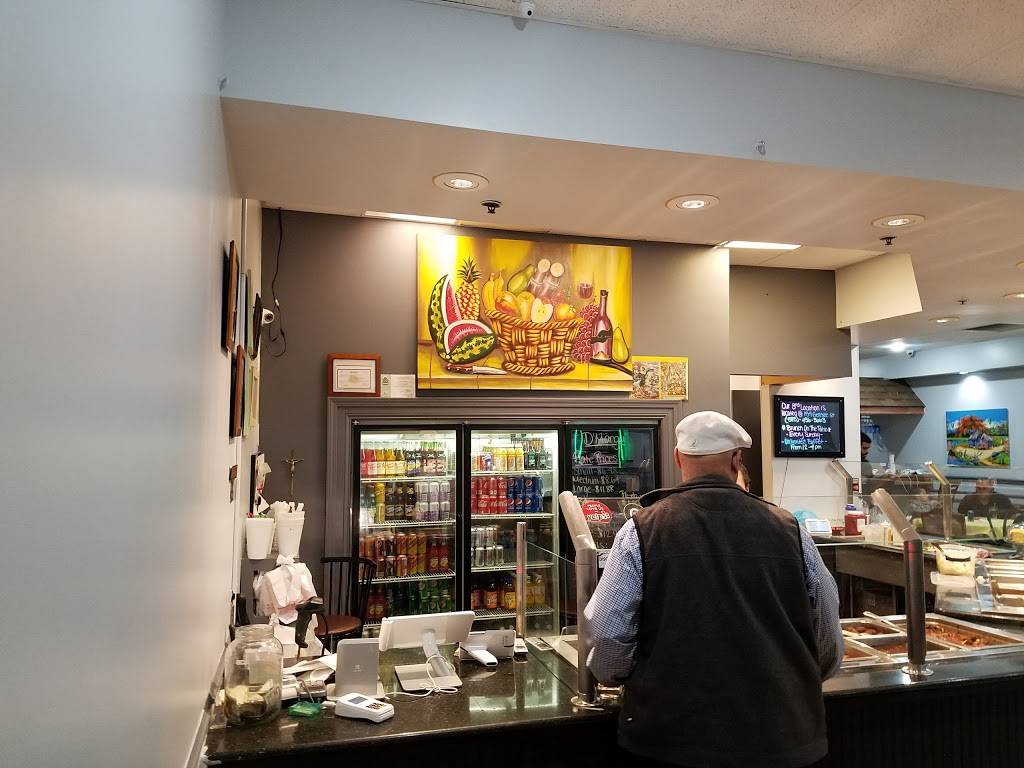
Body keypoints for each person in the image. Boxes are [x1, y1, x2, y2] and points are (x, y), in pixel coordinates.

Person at [586, 411, 843, 768]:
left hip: (671, 738)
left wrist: (619, 678)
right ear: (737, 460)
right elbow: (827, 628)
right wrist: (798, 680)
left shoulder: (641, 529)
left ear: (678, 458)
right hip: (781, 736)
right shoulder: (791, 529)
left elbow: (607, 633)